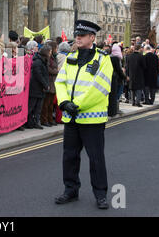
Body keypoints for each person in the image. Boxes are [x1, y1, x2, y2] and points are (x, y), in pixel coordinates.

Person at [55, 20, 113, 210]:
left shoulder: (103, 59)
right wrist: (64, 102)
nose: (77, 37)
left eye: (82, 35)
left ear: (92, 38)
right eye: (76, 34)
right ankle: (70, 190)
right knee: (69, 156)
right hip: (71, 118)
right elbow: (60, 81)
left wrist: (76, 105)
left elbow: (100, 87)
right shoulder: (71, 57)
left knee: (96, 158)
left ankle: (100, 195)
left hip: (92, 118)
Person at [26, 46, 50, 130]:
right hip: (35, 87)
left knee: (38, 107)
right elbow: (38, 75)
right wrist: (45, 84)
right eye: (49, 52)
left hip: (40, 88)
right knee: (31, 106)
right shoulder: (38, 62)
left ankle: (35, 122)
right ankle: (29, 122)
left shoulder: (43, 61)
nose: (50, 53)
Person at [41, 42, 58, 127]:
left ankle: (50, 119)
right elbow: (48, 69)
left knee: (51, 104)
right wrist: (56, 71)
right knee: (46, 104)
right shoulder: (47, 59)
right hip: (49, 82)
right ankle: (44, 120)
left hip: (53, 82)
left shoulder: (53, 58)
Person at [108, 44, 127, 116]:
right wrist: (125, 77)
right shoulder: (116, 58)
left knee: (113, 95)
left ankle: (114, 109)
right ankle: (116, 110)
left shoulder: (108, 57)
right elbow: (119, 70)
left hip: (110, 79)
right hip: (117, 79)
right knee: (117, 95)